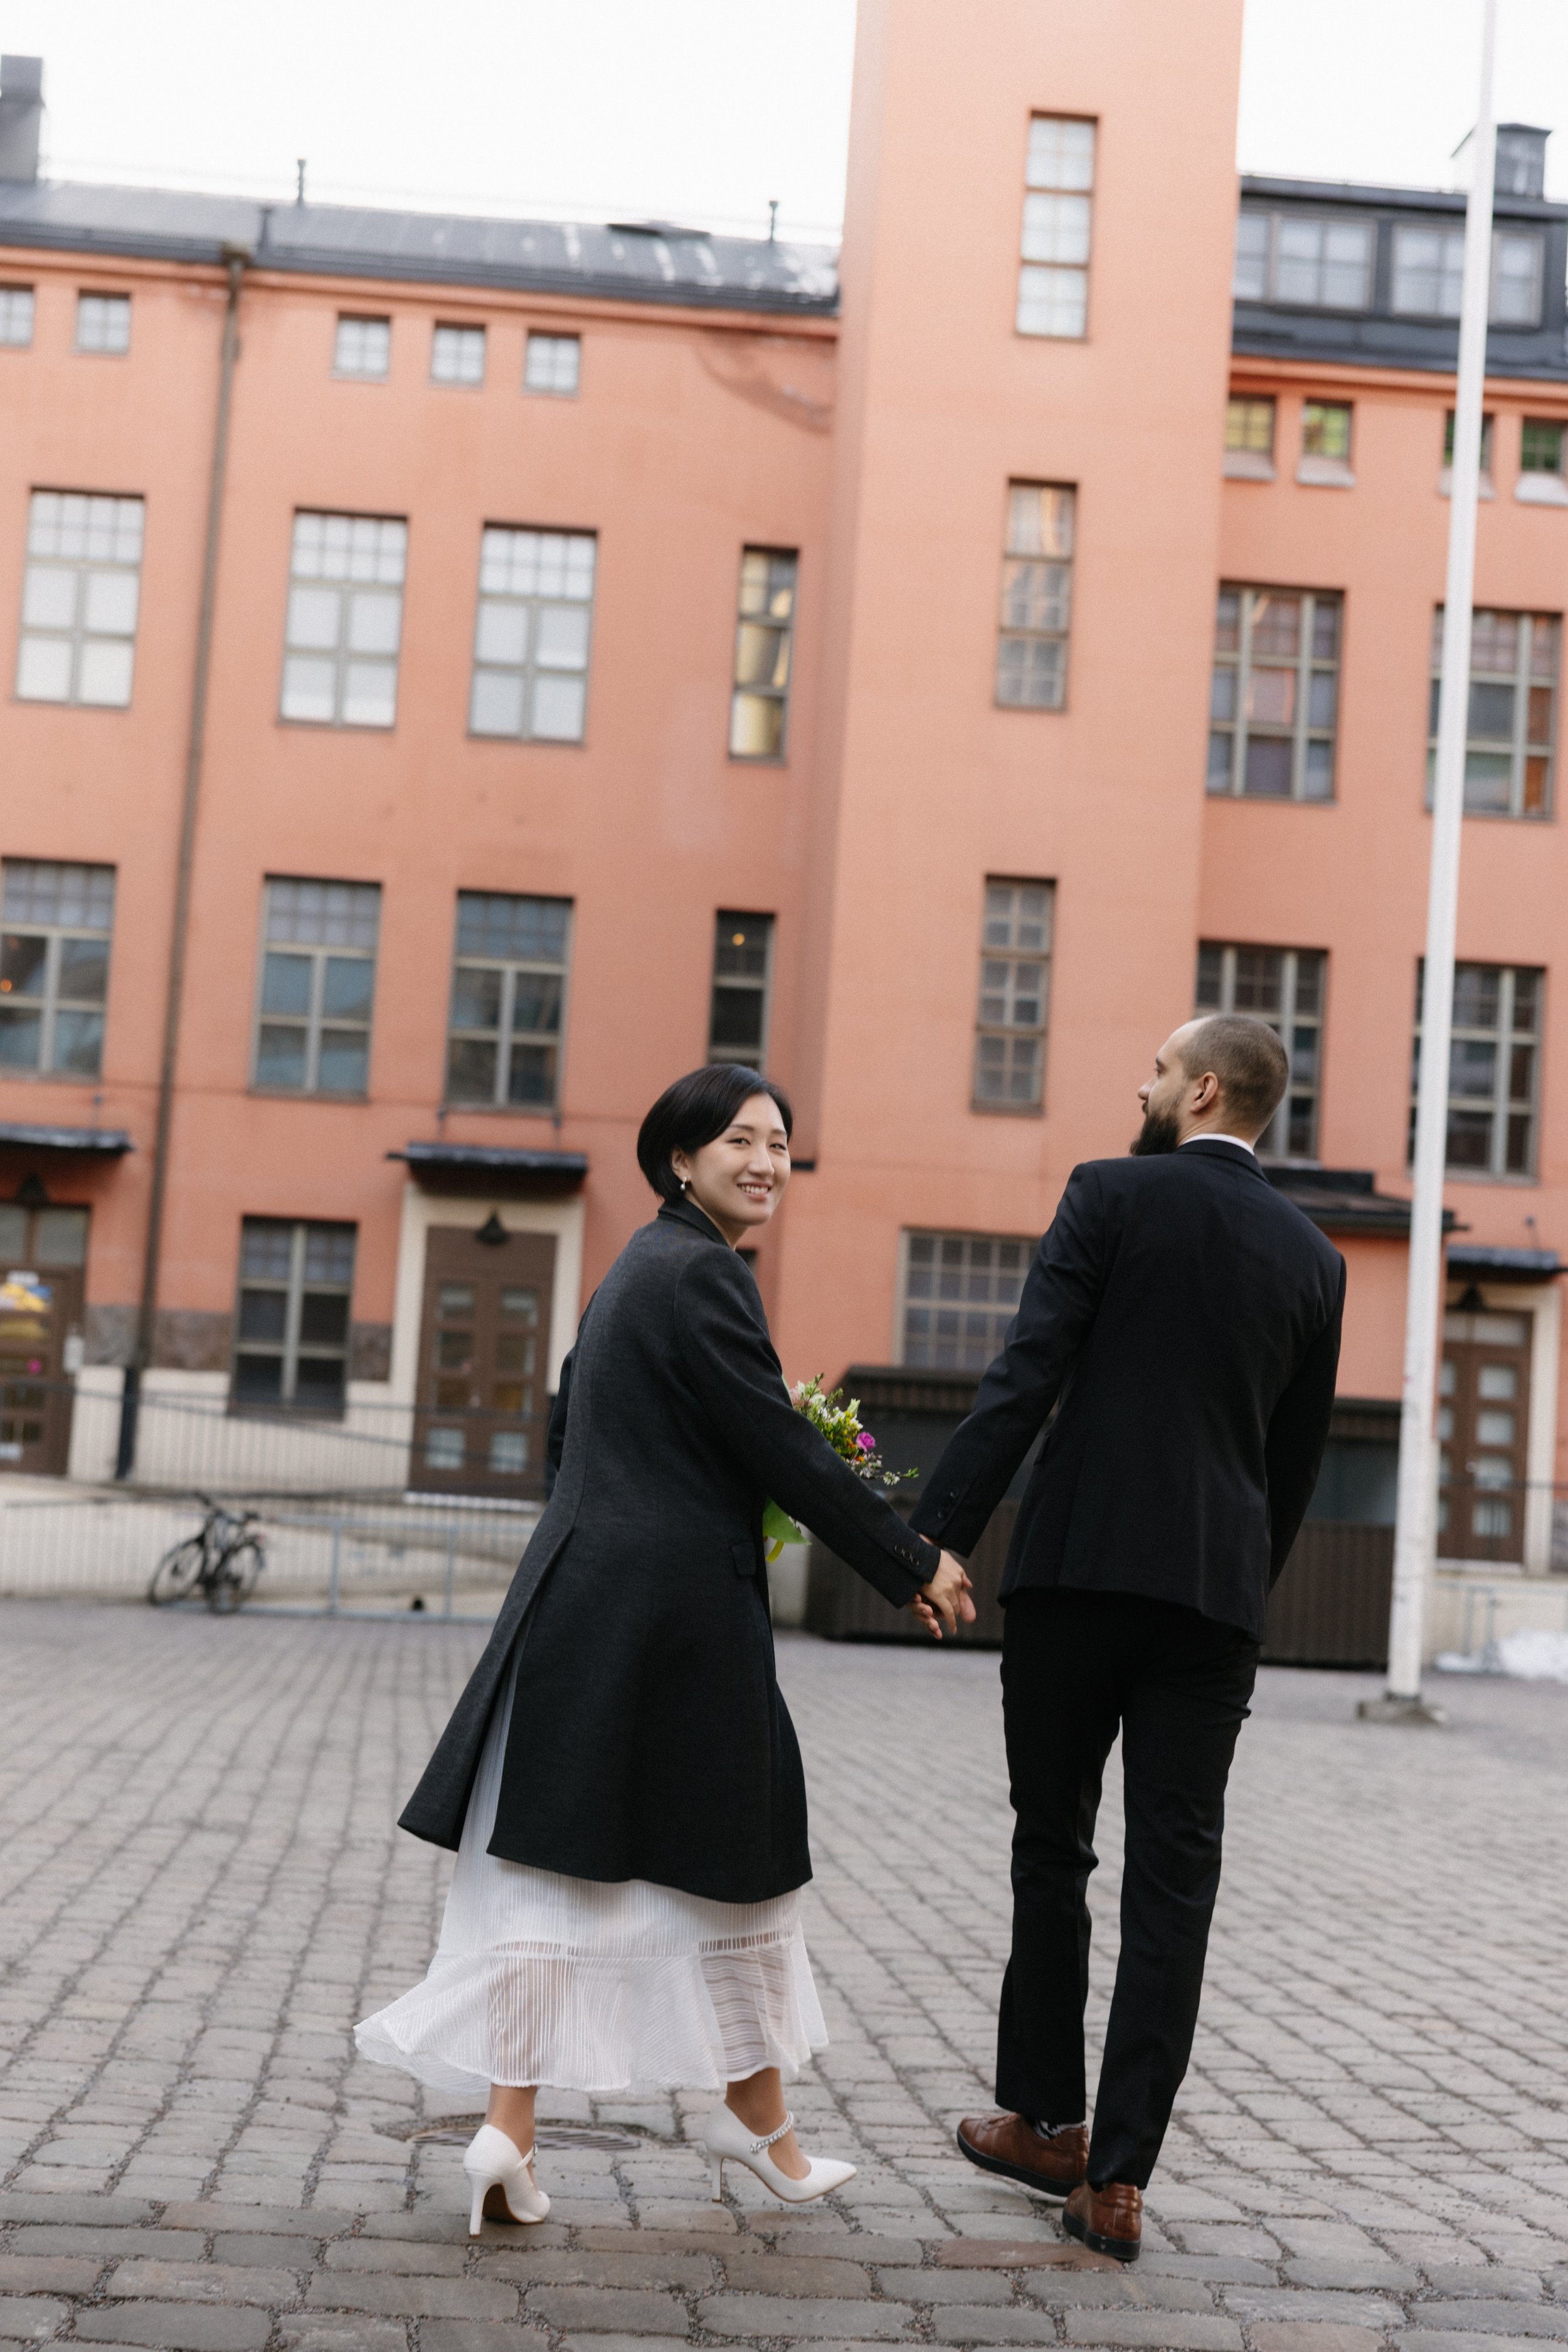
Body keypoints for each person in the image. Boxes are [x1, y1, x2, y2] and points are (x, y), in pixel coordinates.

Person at [357, 1063, 972, 2231]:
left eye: (782, 1144)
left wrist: (606, 1527)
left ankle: (511, 2129)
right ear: (678, 1160)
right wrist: (911, 1561)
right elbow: (781, 1447)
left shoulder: (637, 1269)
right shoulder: (702, 1275)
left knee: (554, 1870)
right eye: (739, 1139)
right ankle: (760, 2128)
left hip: (582, 1606)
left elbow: (567, 1422)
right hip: (678, 1624)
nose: (766, 1160)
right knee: (735, 1861)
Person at [908, 1015, 1345, 2264]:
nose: (1139, 1086)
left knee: (1052, 1851)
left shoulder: (1106, 1193)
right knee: (1174, 1887)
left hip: (1074, 1577)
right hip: (1209, 1608)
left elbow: (1020, 1379)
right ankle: (1115, 2184)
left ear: (1200, 1087)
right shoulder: (1315, 1262)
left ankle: (1044, 2121)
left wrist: (923, 1543)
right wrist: (1233, 1600)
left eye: (1155, 1070)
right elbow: (1290, 1468)